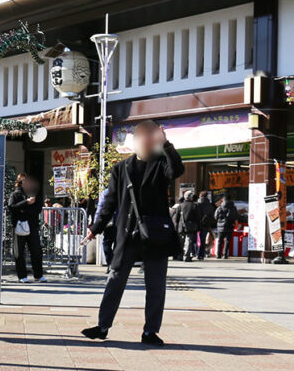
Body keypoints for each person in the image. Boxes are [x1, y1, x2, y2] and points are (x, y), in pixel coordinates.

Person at [81, 120, 183, 346]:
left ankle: (150, 332)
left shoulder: (160, 163)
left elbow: (177, 170)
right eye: (142, 138)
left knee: (156, 285)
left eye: (151, 137)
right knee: (115, 279)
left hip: (155, 234)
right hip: (127, 234)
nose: (146, 142)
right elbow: (109, 202)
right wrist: (94, 229)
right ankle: (102, 326)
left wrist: (167, 146)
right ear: (135, 142)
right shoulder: (120, 169)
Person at [7, 173, 44, 283]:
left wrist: (24, 210)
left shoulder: (35, 194)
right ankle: (22, 276)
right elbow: (11, 207)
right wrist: (26, 203)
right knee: (19, 252)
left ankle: (38, 275)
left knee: (36, 251)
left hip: (32, 225)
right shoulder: (15, 195)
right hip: (19, 225)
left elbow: (38, 209)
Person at [171, 191, 200, 262]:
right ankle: (187, 256)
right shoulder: (194, 205)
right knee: (189, 240)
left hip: (181, 226)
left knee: (181, 241)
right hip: (191, 226)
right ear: (191, 197)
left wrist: (177, 226)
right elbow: (197, 217)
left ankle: (180, 256)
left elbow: (176, 218)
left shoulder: (180, 205)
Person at [214, 194, 238, 259]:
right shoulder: (233, 207)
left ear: (223, 200)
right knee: (227, 240)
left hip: (220, 227)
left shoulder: (219, 207)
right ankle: (225, 255)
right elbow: (236, 216)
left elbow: (215, 217)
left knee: (220, 241)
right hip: (230, 226)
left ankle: (218, 254)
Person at [194, 191, 214, 259]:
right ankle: (201, 255)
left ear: (200, 196)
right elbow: (212, 216)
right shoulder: (210, 205)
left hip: (197, 224)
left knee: (196, 239)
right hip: (206, 225)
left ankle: (196, 253)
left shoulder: (197, 204)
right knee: (202, 240)